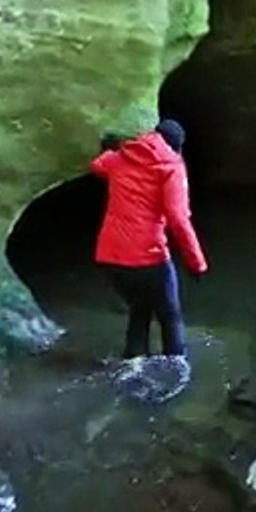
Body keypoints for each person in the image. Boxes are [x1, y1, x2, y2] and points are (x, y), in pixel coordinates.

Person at [90, 119, 208, 359]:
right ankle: (175, 375)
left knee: (139, 310)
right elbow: (178, 219)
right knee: (170, 317)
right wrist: (196, 263)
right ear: (177, 146)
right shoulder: (171, 166)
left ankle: (132, 367)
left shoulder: (123, 156)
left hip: (111, 257)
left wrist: (109, 150)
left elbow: (97, 166)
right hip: (148, 257)